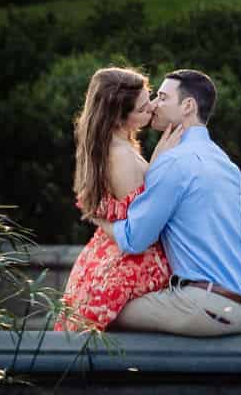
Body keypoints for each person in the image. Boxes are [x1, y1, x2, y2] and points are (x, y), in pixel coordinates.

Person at [105, 68, 241, 338]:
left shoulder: (174, 161)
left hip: (206, 308)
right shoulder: (225, 163)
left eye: (163, 98)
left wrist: (97, 218)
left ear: (188, 106)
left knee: (96, 308)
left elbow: (135, 239)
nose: (153, 105)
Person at [54, 67, 171, 333]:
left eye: (149, 98)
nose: (152, 108)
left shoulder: (115, 145)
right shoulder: (120, 157)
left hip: (107, 254)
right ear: (119, 118)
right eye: (142, 108)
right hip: (130, 261)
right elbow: (139, 228)